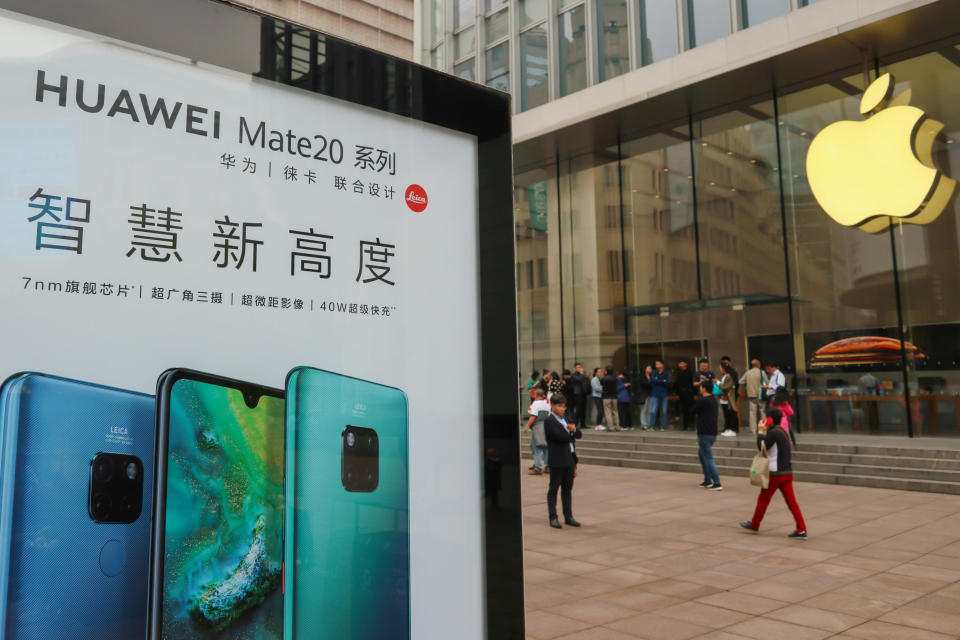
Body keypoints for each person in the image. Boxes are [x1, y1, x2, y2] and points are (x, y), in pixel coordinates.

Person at [740, 408, 807, 538]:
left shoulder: (774, 433)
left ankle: (755, 524)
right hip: (787, 472)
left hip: (775, 474)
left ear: (770, 419)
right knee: (792, 502)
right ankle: (801, 529)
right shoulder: (782, 431)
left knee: (763, 500)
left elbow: (762, 446)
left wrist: (760, 432)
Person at [544, 393, 582, 529]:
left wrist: (574, 430)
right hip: (557, 459)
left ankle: (569, 516)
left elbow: (579, 434)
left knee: (567, 489)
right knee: (553, 489)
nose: (562, 409)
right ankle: (553, 517)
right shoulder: (549, 421)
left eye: (564, 407)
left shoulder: (566, 418)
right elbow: (560, 437)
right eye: (559, 406)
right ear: (553, 406)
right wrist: (571, 433)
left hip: (570, 458)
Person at [693, 379, 722, 490]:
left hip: (704, 432)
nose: (700, 388)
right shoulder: (713, 400)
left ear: (704, 388)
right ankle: (707, 480)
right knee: (702, 455)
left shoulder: (703, 400)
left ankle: (717, 482)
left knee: (708, 457)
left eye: (701, 387)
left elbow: (693, 410)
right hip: (712, 432)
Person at [524, 388, 550, 474]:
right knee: (546, 447)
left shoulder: (535, 404)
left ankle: (538, 468)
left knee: (536, 447)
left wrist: (527, 425)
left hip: (538, 426)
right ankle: (548, 467)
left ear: (535, 395)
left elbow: (533, 416)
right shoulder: (547, 403)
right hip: (546, 425)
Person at [739, 359, 766, 434]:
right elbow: (767, 382)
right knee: (762, 411)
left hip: (751, 395)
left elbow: (740, 381)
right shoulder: (762, 372)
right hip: (761, 395)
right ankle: (763, 429)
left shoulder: (747, 373)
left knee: (752, 412)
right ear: (758, 365)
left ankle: (753, 429)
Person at [718, 363, 739, 437]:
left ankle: (733, 430)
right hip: (723, 399)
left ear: (724, 369)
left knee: (730, 414)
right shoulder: (724, 376)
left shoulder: (730, 376)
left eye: (720, 368)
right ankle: (728, 429)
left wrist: (717, 382)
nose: (720, 369)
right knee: (726, 415)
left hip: (728, 399)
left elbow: (726, 387)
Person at [649, 360, 670, 431]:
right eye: (656, 364)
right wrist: (662, 380)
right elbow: (652, 380)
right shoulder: (654, 372)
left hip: (664, 394)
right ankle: (651, 426)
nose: (657, 365)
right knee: (653, 410)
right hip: (655, 393)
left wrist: (658, 380)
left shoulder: (666, 373)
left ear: (662, 365)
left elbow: (667, 382)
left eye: (658, 364)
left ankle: (662, 426)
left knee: (664, 411)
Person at [674, 360, 695, 430]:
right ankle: (685, 426)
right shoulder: (678, 372)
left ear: (686, 364)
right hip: (681, 393)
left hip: (689, 393)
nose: (681, 365)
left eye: (682, 363)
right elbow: (676, 383)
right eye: (680, 363)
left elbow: (692, 383)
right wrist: (676, 392)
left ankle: (692, 425)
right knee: (684, 409)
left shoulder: (690, 372)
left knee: (691, 409)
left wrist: (693, 392)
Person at [601, 367, 621, 431]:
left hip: (606, 397)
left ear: (606, 371)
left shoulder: (603, 378)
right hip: (614, 397)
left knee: (608, 412)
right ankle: (617, 427)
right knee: (615, 412)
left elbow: (602, 386)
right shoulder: (615, 378)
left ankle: (611, 427)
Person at [571, 363, 589, 430]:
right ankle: (575, 424)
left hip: (583, 394)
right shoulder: (573, 375)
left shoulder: (582, 375)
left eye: (580, 367)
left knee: (583, 409)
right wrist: (582, 374)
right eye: (578, 367)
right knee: (578, 410)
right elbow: (579, 379)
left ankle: (583, 424)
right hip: (577, 394)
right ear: (575, 368)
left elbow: (586, 381)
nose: (579, 368)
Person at [637, 365, 653, 429]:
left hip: (650, 395)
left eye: (650, 368)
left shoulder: (651, 376)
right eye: (649, 368)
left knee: (649, 410)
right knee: (643, 410)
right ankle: (644, 424)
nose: (650, 369)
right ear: (645, 369)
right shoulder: (641, 376)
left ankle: (649, 424)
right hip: (643, 395)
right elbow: (646, 384)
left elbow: (652, 384)